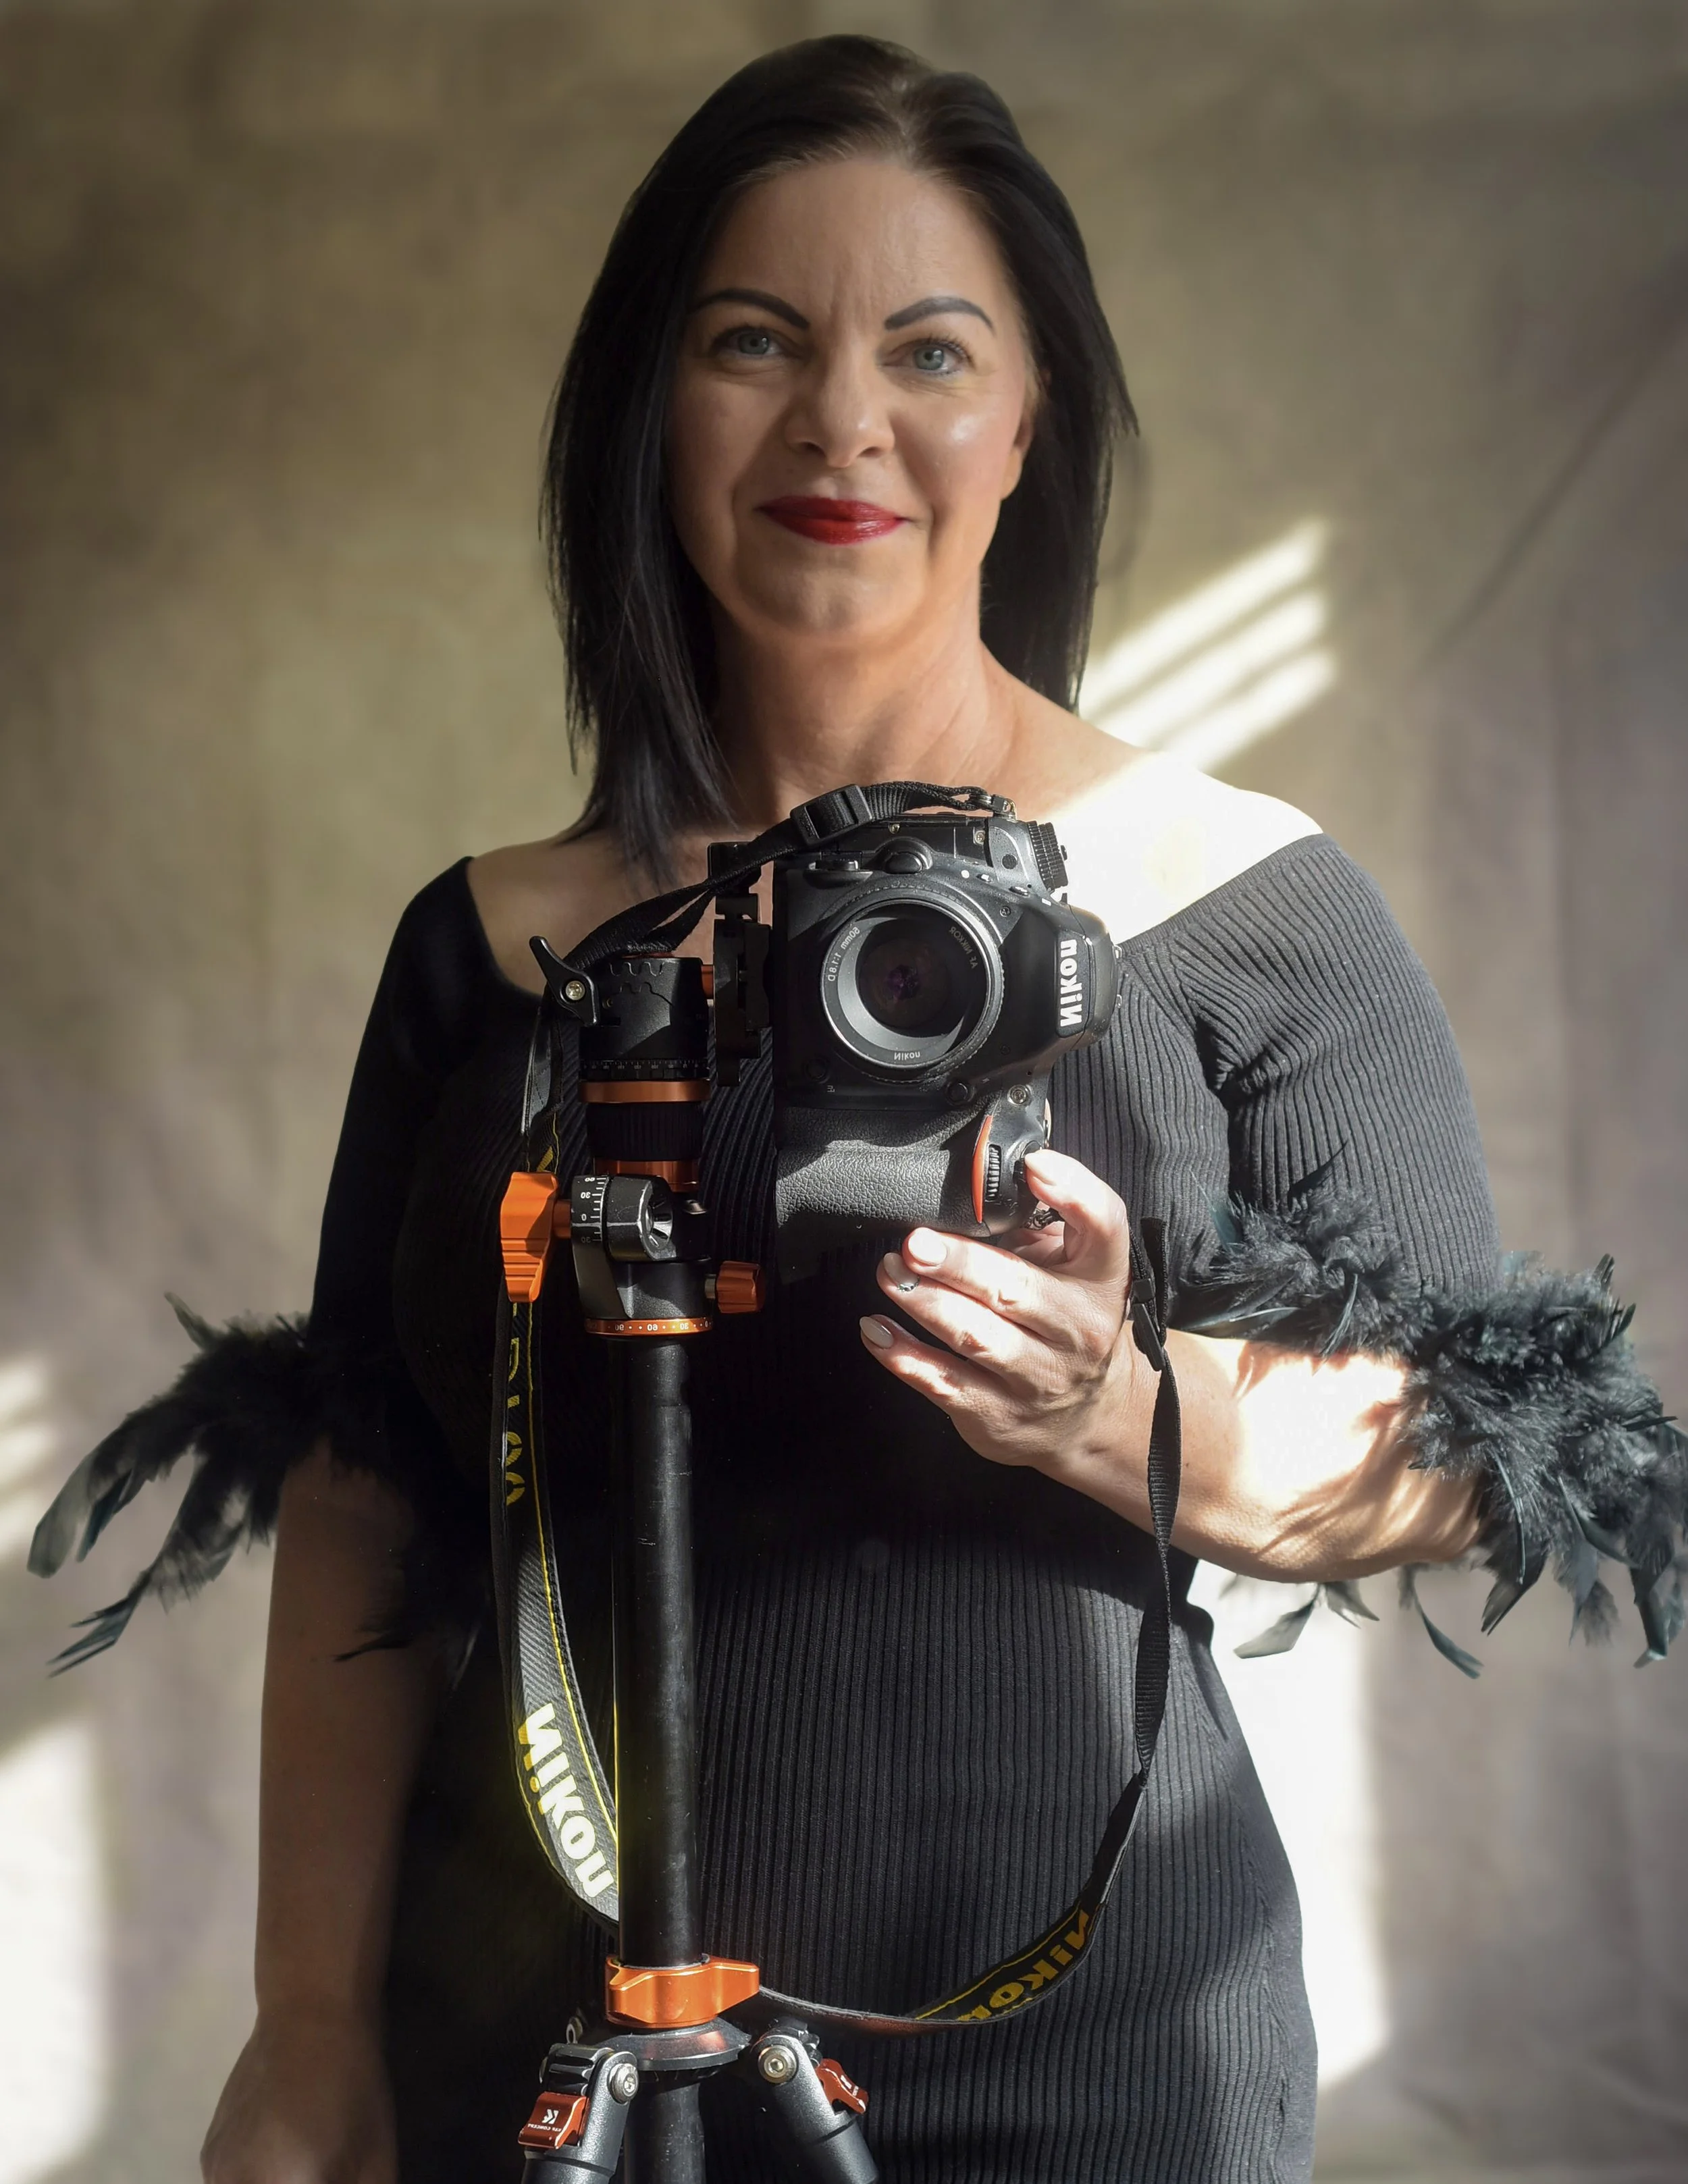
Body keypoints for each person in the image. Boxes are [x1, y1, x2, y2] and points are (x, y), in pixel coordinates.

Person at [32, 35, 1683, 2184]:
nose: (840, 421)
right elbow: (368, 1501)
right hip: (524, 2055)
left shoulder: (1236, 899)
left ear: (1025, 422)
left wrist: (1115, 1408)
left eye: (926, 347)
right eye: (752, 342)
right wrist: (311, 2025)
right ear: (651, 411)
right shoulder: (496, 945)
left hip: (1097, 2061)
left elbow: (1477, 1453)